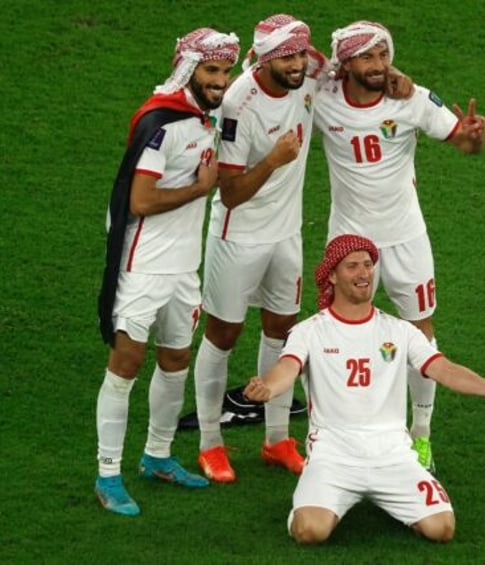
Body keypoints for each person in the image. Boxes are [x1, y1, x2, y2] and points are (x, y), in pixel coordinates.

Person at [243, 234, 485, 544]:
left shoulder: (400, 331)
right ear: (333, 276)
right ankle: (310, 503)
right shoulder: (309, 331)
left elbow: (443, 368)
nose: (364, 273)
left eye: (368, 265)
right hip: (333, 456)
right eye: (352, 266)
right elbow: (287, 368)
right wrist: (268, 388)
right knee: (309, 531)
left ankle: (387, 496)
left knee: (441, 529)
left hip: (393, 455)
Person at [313, 21, 485, 472]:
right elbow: (280, 71)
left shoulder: (411, 99)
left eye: (384, 55)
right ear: (346, 62)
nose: (379, 66)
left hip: (406, 236)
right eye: (367, 57)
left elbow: (464, 144)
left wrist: (474, 136)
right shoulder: (324, 98)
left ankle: (421, 434)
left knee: (421, 332)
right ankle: (327, 432)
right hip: (350, 237)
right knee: (336, 331)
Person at [94, 28, 240, 516]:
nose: (220, 81)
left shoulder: (204, 117)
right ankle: (107, 474)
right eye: (211, 71)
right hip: (145, 266)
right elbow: (139, 200)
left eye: (224, 71)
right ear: (189, 69)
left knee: (176, 359)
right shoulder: (164, 124)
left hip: (184, 269)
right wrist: (200, 190)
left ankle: (157, 455)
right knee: (127, 364)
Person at [191, 14, 327, 484]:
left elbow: (345, 71)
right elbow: (229, 193)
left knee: (282, 330)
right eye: (287, 56)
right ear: (267, 58)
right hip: (239, 235)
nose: (297, 64)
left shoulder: (308, 75)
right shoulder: (238, 104)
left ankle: (276, 441)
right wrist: (273, 160)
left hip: (286, 233)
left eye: (300, 54)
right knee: (223, 334)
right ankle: (210, 444)